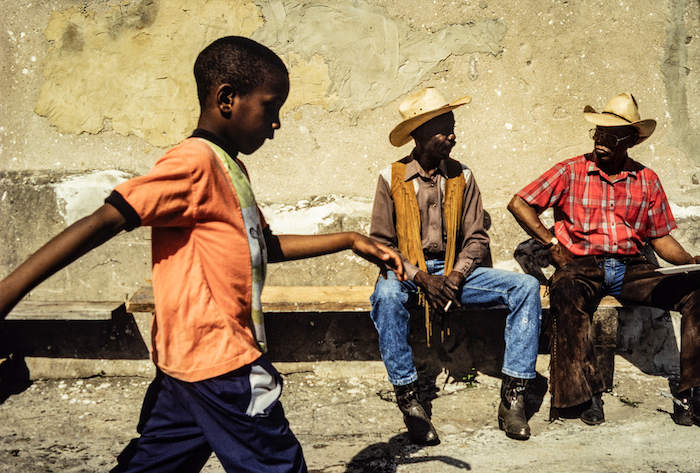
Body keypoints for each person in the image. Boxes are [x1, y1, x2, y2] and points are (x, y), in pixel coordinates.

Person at [0, 36, 406, 473]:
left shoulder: (229, 166)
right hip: (223, 363)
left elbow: (261, 246)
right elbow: (107, 219)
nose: (277, 124)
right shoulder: (194, 163)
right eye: (271, 107)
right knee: (278, 465)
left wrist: (349, 239)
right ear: (227, 99)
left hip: (188, 364)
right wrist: (6, 295)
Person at [508, 92, 700, 427]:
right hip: (582, 266)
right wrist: (552, 243)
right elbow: (519, 203)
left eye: (612, 136)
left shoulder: (647, 179)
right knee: (566, 292)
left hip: (632, 268)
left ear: (631, 141)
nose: (601, 141)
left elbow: (660, 237)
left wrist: (689, 261)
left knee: (697, 294)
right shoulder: (570, 170)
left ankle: (690, 395)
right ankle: (588, 395)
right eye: (598, 133)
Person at [369, 87, 543, 444]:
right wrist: (421, 278)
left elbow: (477, 238)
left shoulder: (463, 176)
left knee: (525, 287)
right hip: (407, 273)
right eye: (443, 129)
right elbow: (382, 245)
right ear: (418, 135)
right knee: (385, 295)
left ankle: (514, 397)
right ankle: (409, 399)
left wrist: (457, 274)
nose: (452, 136)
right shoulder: (391, 177)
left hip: (454, 272)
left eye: (452, 127)